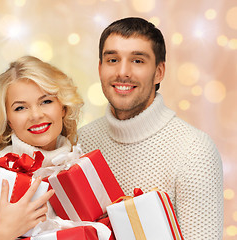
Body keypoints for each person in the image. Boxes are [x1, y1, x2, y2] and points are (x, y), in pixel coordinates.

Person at [78, 17, 223, 239]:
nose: (122, 72)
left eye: (137, 61)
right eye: (113, 59)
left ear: (159, 72)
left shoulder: (195, 151)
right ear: (100, 69)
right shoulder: (80, 143)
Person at [0, 55, 84, 240]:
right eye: (20, 108)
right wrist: (4, 233)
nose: (36, 115)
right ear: (8, 120)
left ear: (63, 107)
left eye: (46, 101)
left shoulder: (83, 168)